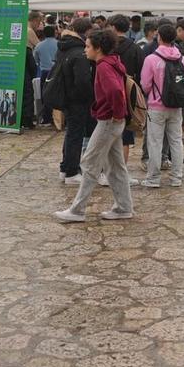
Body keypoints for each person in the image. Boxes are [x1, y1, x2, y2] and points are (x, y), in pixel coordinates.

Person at [54, 29, 133, 222]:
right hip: (113, 121)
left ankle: (77, 210)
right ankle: (124, 207)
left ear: (98, 48)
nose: (85, 50)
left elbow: (115, 91)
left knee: (90, 163)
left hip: (108, 121)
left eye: (88, 46)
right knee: (116, 166)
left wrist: (115, 114)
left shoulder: (104, 67)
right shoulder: (112, 63)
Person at [140, 22, 184, 188]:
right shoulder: (182, 60)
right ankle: (177, 177)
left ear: (159, 37)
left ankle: (153, 178)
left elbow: (145, 84)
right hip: (176, 106)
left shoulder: (151, 59)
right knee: (176, 141)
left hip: (156, 106)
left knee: (155, 142)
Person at [56, 18, 95, 185]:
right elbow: (83, 81)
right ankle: (71, 171)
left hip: (66, 97)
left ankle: (65, 169)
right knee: (75, 135)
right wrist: (89, 96)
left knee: (71, 133)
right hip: (77, 100)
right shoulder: (79, 52)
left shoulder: (64, 47)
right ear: (86, 32)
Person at [110, 15, 144, 165]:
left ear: (113, 28)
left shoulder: (107, 47)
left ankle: (107, 169)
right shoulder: (135, 47)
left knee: (108, 131)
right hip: (128, 93)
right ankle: (121, 169)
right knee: (126, 134)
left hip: (109, 92)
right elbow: (141, 72)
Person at [34, 24, 58, 123]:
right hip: (57, 72)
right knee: (57, 94)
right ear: (54, 33)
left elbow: (36, 59)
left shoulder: (39, 45)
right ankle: (57, 118)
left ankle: (47, 118)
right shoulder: (59, 44)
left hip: (44, 72)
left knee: (45, 96)